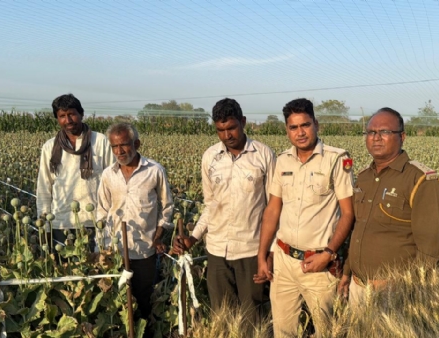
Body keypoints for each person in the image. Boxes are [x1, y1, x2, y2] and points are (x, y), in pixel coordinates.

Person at [255, 98, 354, 337]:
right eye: (293, 127)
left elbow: (349, 214)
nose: (300, 133)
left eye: (305, 125)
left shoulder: (337, 159)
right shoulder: (282, 161)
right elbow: (272, 211)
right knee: (283, 331)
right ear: (287, 130)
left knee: (327, 331)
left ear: (316, 124)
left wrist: (328, 254)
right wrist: (262, 255)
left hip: (319, 265)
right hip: (284, 262)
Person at [172, 98, 276, 324]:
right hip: (217, 250)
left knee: (254, 319)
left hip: (251, 250)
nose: (227, 135)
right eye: (221, 130)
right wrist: (193, 237)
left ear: (243, 122)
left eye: (231, 128)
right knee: (223, 318)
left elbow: (274, 208)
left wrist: (270, 252)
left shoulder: (263, 155)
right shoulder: (210, 157)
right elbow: (211, 205)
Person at [337, 107, 439, 306]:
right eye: (371, 132)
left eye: (385, 132)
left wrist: (409, 290)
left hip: (394, 293)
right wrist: (347, 272)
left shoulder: (420, 180)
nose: (376, 138)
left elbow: (432, 249)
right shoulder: (363, 178)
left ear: (402, 136)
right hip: (358, 286)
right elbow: (358, 230)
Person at [96, 122, 174, 327]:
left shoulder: (155, 171)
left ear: (136, 143)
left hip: (144, 250)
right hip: (114, 250)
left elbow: (167, 208)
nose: (119, 151)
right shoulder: (107, 175)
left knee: (144, 300)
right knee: (115, 302)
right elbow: (102, 211)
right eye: (114, 147)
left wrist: (158, 236)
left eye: (124, 145)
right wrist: (101, 246)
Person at [36, 93, 114, 249]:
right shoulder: (50, 147)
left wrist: (112, 219)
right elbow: (44, 187)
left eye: (72, 114)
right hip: (61, 221)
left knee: (97, 268)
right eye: (62, 116)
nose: (68, 120)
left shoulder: (100, 142)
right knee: (66, 268)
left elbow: (112, 182)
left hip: (95, 221)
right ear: (57, 119)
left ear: (81, 114)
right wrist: (44, 225)